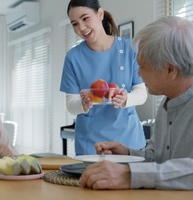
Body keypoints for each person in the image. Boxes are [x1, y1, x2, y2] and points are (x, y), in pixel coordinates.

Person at [80, 16, 193, 190]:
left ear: (170, 70)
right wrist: (128, 153)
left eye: (143, 67)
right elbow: (159, 159)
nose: (139, 75)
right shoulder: (167, 102)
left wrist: (131, 175)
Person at [60, 0, 147, 155]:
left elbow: (142, 93)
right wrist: (83, 104)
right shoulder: (73, 57)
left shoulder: (129, 48)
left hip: (129, 141)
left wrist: (126, 99)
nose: (81, 28)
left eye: (85, 18)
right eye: (75, 24)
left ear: (100, 14)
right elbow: (70, 104)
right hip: (91, 145)